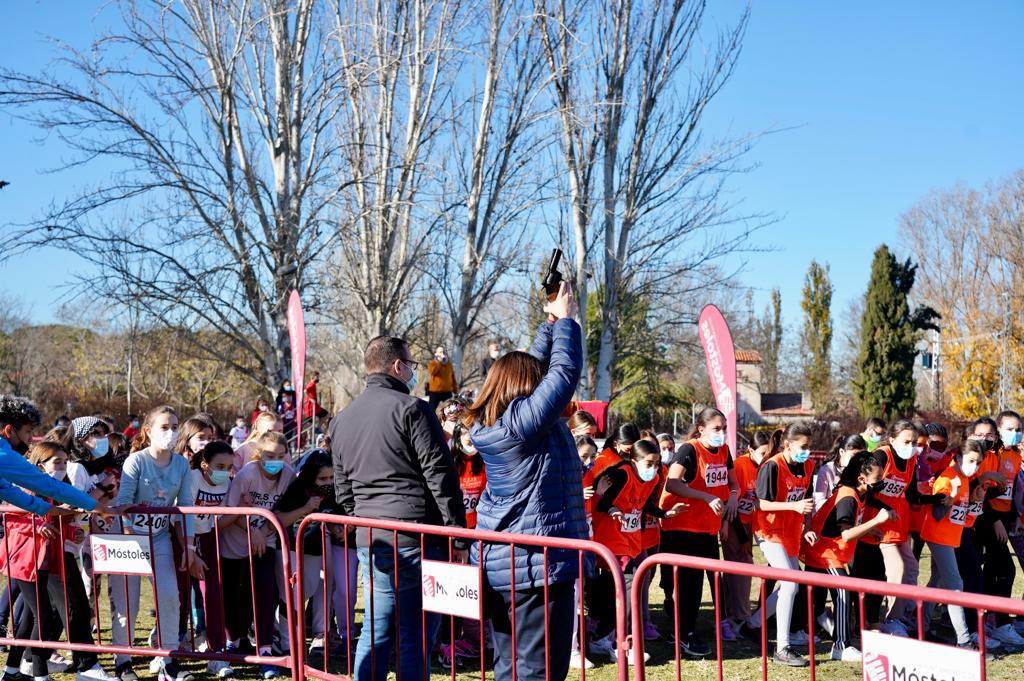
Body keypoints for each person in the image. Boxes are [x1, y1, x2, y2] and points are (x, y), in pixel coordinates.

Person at [460, 280, 586, 681]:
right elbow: (563, 373)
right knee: (537, 671)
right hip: (535, 567)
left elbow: (530, 366)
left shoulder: (497, 422)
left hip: (509, 564)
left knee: (511, 667)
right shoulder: (521, 425)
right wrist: (566, 321)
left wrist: (549, 324)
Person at [329, 335, 466, 681]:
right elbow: (441, 475)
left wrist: (364, 520)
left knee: (376, 629)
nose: (413, 372)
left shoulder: (342, 419)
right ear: (397, 366)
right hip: (415, 536)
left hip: (372, 538)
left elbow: (343, 491)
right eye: (411, 365)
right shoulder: (413, 409)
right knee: (414, 635)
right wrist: (458, 535)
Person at [110, 405, 202, 681]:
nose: (170, 432)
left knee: (170, 596)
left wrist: (189, 548)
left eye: (174, 427)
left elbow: (185, 507)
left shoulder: (181, 464)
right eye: (164, 427)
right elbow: (124, 503)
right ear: (148, 431)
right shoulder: (136, 461)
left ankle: (168, 660)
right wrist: (131, 541)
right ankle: (123, 661)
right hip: (128, 539)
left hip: (160, 538)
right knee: (127, 603)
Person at [590, 439, 680, 664]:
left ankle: (603, 637)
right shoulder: (622, 474)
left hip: (631, 542)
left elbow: (645, 504)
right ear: (634, 461)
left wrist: (664, 514)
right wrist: (612, 509)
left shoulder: (654, 479)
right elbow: (601, 502)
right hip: (610, 542)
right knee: (628, 589)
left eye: (657, 464)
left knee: (615, 592)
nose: (654, 468)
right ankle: (622, 643)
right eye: (649, 463)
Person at [659, 408, 738, 658]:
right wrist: (705, 497)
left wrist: (733, 496)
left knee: (710, 580)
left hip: (708, 528)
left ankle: (688, 630)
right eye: (716, 428)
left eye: (724, 428)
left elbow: (732, 484)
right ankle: (685, 635)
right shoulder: (689, 450)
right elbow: (672, 483)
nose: (721, 433)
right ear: (701, 429)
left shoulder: (724, 451)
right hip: (682, 526)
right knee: (689, 585)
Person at [801, 451, 890, 663]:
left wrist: (869, 531)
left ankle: (814, 629)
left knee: (817, 599)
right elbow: (846, 534)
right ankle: (841, 646)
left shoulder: (858, 493)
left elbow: (846, 526)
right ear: (862, 478)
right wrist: (876, 521)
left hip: (830, 551)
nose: (881, 482)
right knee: (842, 591)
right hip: (825, 552)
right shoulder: (848, 497)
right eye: (878, 478)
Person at [220, 431, 294, 679]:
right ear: (259, 454)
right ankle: (233, 642)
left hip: (265, 541)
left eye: (280, 455)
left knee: (265, 593)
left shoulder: (288, 475)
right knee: (234, 597)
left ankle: (265, 652)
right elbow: (232, 511)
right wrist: (253, 530)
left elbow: (283, 511)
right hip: (235, 542)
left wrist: (262, 532)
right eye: (270, 455)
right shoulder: (247, 474)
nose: (275, 460)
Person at [858, 420, 941, 636]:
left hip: (897, 526)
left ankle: (901, 616)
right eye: (906, 441)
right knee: (897, 568)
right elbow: (865, 491)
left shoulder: (911, 460)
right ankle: (890, 620)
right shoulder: (881, 456)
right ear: (892, 439)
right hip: (876, 525)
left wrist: (936, 498)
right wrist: (885, 508)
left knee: (911, 568)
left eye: (914, 442)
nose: (911, 446)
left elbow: (911, 495)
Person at [750, 422, 816, 668]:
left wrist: (808, 526)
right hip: (768, 531)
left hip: (790, 532)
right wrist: (792, 506)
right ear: (788, 445)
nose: (807, 451)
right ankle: (782, 647)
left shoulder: (808, 465)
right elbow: (760, 503)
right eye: (803, 446)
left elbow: (807, 501)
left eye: (809, 446)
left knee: (792, 584)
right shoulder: (772, 466)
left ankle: (753, 624)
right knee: (790, 584)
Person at [920, 439, 987, 651]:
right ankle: (964, 641)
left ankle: (921, 626)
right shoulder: (947, 479)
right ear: (958, 458)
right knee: (955, 585)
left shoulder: (964, 479)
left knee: (937, 582)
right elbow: (937, 514)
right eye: (971, 461)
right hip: (938, 537)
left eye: (978, 462)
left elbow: (962, 517)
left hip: (950, 537)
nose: (975, 466)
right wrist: (952, 494)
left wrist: (975, 500)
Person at [438, 424, 488, 668]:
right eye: (467, 437)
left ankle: (471, 639)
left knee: (474, 589)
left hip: (477, 533)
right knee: (452, 588)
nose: (472, 443)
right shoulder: (450, 462)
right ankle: (445, 642)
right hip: (454, 533)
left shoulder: (484, 462)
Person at [0, 395, 100, 516]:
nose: (31, 438)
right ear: (9, 430)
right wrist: (97, 506)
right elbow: (45, 484)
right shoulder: (3, 454)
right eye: (28, 431)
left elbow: (7, 491)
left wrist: (48, 509)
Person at [722, 429, 778, 642]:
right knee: (741, 570)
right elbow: (732, 505)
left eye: (768, 453)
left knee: (741, 570)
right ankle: (740, 619)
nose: (766, 457)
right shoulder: (740, 466)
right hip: (734, 521)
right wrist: (744, 538)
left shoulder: (767, 466)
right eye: (762, 453)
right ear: (750, 450)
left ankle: (737, 616)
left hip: (751, 523)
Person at [977, 410, 1024, 646]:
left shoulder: (1015, 456)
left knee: (993, 570)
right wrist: (994, 519)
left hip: (1004, 518)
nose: (1014, 433)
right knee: (1006, 569)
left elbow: (1011, 490)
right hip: (987, 517)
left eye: (1018, 430)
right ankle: (1002, 624)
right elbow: (984, 492)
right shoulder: (991, 454)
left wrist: (1014, 518)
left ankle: (990, 619)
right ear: (998, 431)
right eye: (1009, 429)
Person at [188, 441, 234, 679]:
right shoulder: (192, 478)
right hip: (181, 536)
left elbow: (223, 517)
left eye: (229, 467)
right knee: (177, 596)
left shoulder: (227, 483)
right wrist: (190, 550)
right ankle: (166, 652)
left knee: (213, 594)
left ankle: (216, 653)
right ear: (205, 465)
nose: (225, 471)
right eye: (220, 466)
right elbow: (180, 516)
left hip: (207, 537)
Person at [814, 434, 867, 511]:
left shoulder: (861, 472)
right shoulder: (827, 470)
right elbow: (818, 502)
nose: (858, 460)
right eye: (854, 456)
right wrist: (841, 506)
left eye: (861, 456)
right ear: (842, 452)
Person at [426, 346, 458, 410]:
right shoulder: (432, 363)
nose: (442, 354)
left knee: (451, 409)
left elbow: (452, 378)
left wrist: (455, 391)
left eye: (444, 352)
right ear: (436, 354)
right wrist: (439, 362)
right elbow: (432, 372)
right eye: (440, 352)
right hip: (434, 392)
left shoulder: (449, 364)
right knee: (431, 410)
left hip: (447, 392)